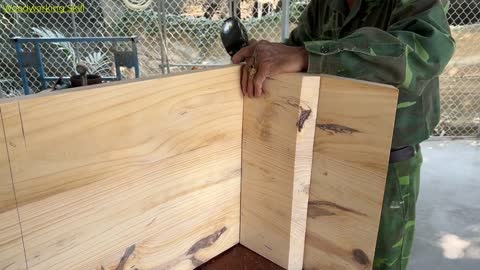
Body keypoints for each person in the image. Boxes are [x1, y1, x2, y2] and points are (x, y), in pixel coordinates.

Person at [232, 0, 455, 269]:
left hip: (386, 161)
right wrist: (271, 58)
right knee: (325, 254)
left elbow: (426, 51)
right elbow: (296, 49)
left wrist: (311, 56)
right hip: (322, 151)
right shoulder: (325, 5)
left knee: (377, 260)